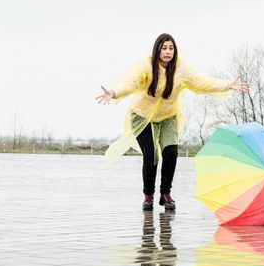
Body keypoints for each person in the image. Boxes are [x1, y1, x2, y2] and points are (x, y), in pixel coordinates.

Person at [96, 33, 248, 211]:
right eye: (164, 48)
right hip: (143, 116)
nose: (167, 52)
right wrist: (113, 92)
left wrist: (227, 85)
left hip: (168, 116)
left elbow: (202, 83)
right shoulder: (145, 65)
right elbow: (130, 84)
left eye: (171, 48)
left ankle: (166, 194)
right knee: (151, 154)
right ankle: (148, 196)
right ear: (157, 49)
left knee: (171, 152)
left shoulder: (181, 68)